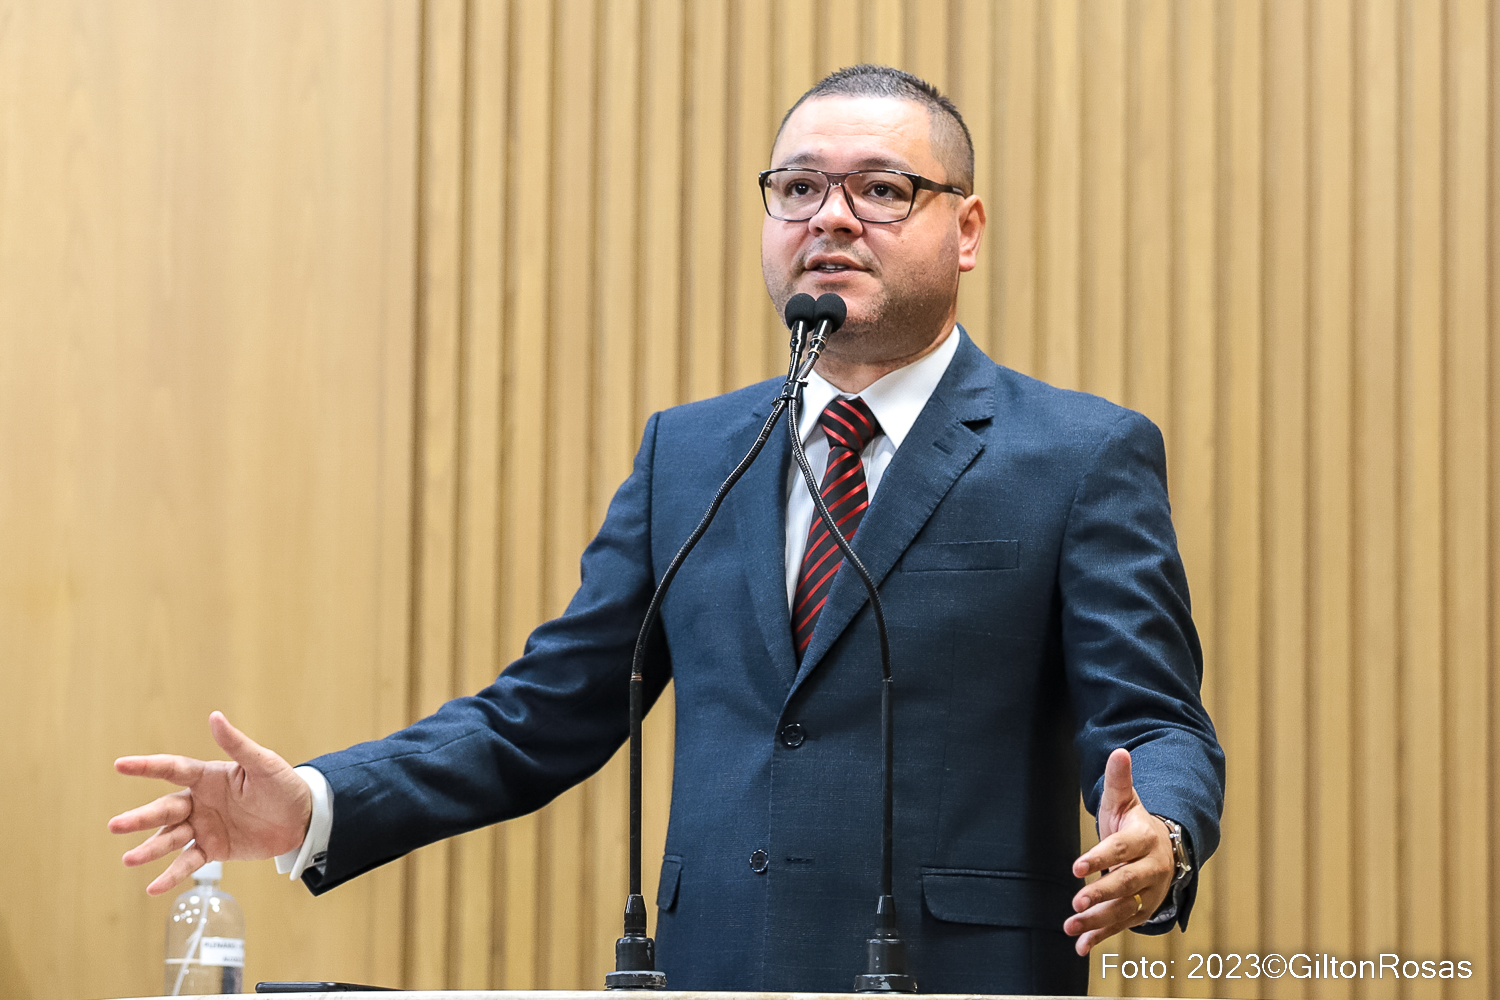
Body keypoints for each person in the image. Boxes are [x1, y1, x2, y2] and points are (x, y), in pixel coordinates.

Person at [111, 65, 1224, 995]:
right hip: (706, 970)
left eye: (882, 189)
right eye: (798, 188)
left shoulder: (1078, 455)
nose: (831, 217)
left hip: (956, 976)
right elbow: (545, 713)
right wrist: (318, 802)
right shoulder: (690, 453)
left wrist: (1162, 835)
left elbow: (1154, 718)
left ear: (966, 228)